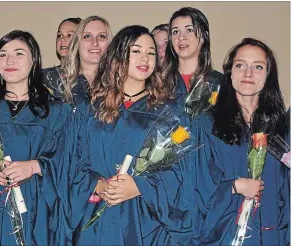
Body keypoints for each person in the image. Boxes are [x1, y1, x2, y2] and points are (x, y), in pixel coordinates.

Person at [63, 25, 199, 245]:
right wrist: (99, 184)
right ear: (118, 56)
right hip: (97, 218)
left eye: (151, 52)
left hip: (145, 220)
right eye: (136, 51)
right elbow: (74, 161)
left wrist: (139, 186)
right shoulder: (92, 108)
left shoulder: (167, 111)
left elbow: (182, 172)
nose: (144, 58)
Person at [0, 30, 71, 245]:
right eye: (3, 54)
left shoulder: (56, 110)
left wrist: (34, 166)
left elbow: (68, 160)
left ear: (34, 60)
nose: (9, 60)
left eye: (19, 53)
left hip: (35, 206)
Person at [191, 38, 289, 245]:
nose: (248, 73)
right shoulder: (206, 125)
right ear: (229, 72)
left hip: (271, 236)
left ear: (268, 75)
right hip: (223, 236)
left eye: (258, 67)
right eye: (240, 65)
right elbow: (195, 188)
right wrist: (234, 187)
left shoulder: (281, 129)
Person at [162, 7, 223, 119]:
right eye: (175, 32)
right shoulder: (159, 84)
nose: (181, 37)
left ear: (203, 37)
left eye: (189, 30)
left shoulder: (220, 84)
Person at [61, 15, 112, 106]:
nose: (95, 42)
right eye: (87, 36)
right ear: (77, 43)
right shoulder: (58, 84)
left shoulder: (119, 86)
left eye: (101, 36)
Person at [43, 17, 81, 99]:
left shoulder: (90, 77)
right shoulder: (42, 77)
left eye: (70, 35)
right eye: (60, 35)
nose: (63, 39)